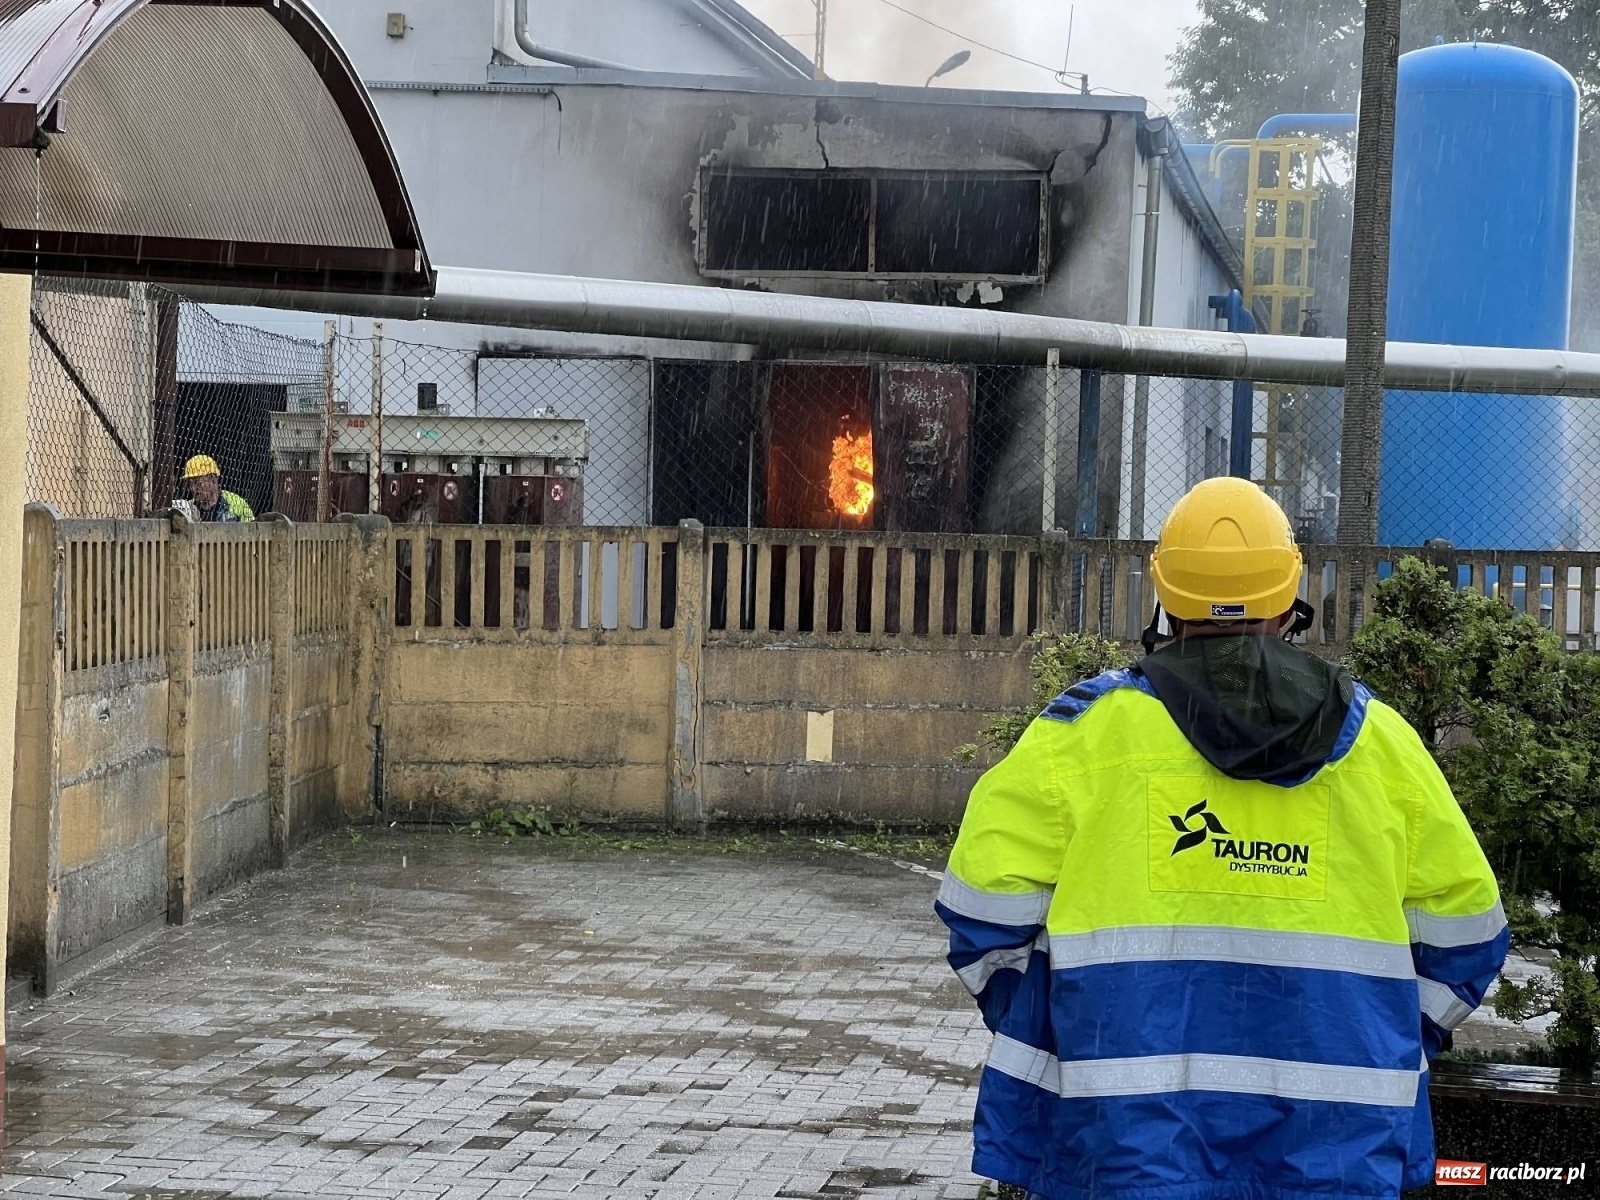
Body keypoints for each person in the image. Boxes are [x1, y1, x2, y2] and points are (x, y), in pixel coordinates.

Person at [937, 477, 1508, 1200]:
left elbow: (982, 918)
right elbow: (1468, 936)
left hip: (1127, 1144)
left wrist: (1057, 1025)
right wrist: (1380, 1031)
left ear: (1165, 597)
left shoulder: (1080, 736)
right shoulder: (1383, 744)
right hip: (1335, 1149)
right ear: (1289, 597)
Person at [182, 455, 254, 523]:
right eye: (190, 484)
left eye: (197, 483)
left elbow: (252, 528)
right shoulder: (188, 509)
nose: (193, 488)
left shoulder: (236, 502)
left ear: (213, 480)